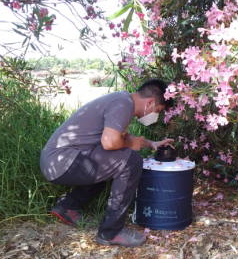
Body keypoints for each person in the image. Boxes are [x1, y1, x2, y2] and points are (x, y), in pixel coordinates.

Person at [40, 79, 174, 248]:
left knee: (113, 163)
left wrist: (152, 144)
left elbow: (123, 137)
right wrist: (129, 146)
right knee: (130, 161)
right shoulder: (123, 104)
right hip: (61, 162)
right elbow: (110, 142)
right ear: (149, 102)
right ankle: (111, 232)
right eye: (158, 110)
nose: (156, 115)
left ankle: (67, 206)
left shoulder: (122, 101)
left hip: (56, 162)